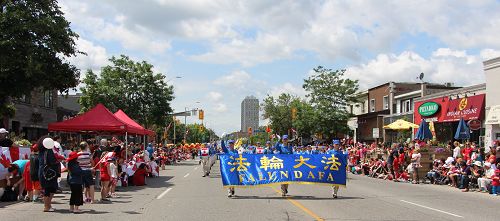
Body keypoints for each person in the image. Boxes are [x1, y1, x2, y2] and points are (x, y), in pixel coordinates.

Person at [38, 137, 59, 212]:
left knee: (49, 189)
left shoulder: (41, 151)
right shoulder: (48, 151)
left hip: (43, 171)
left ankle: (48, 205)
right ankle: (46, 206)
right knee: (49, 189)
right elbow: (52, 161)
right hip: (49, 172)